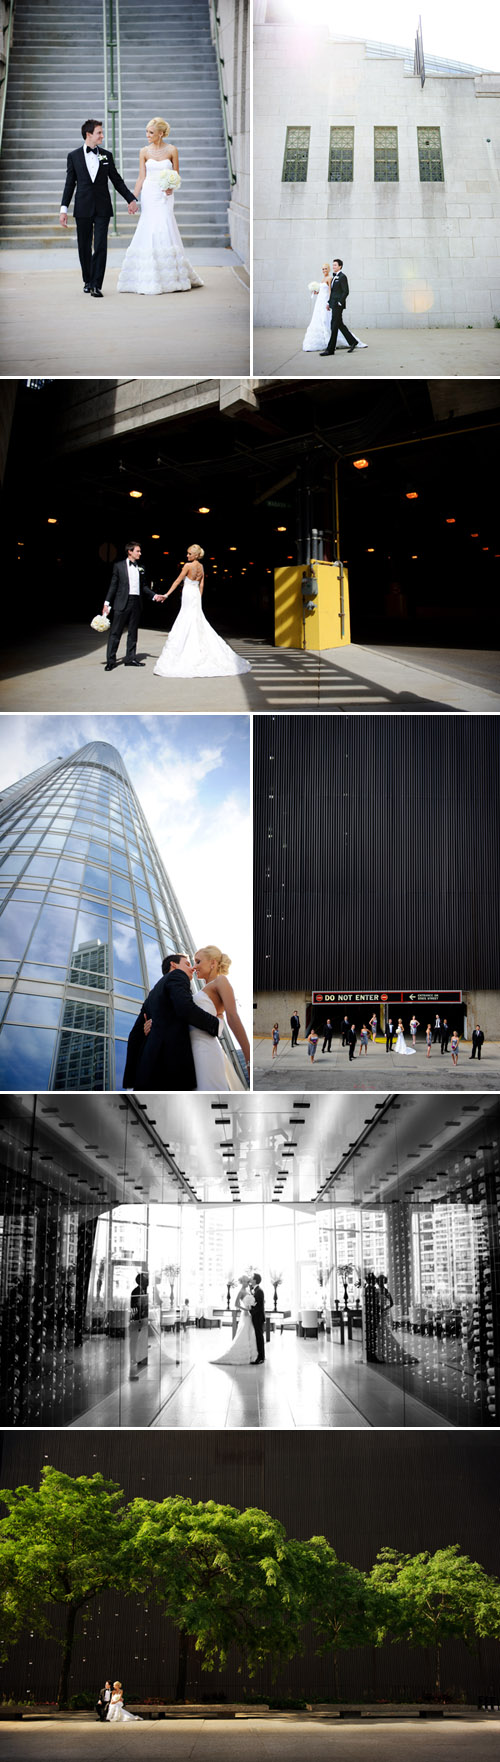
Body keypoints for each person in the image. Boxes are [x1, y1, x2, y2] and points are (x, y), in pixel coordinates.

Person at [117, 116, 203, 296]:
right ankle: (149, 274)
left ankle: (171, 275)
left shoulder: (172, 150)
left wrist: (171, 186)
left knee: (164, 226)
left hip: (165, 195)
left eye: (151, 132)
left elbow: (176, 174)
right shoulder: (144, 151)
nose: (147, 135)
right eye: (146, 132)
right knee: (149, 228)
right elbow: (141, 177)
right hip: (149, 193)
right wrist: (133, 198)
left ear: (161, 134)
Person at [60, 119, 138, 295]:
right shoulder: (73, 156)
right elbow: (69, 184)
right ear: (89, 135)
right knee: (84, 246)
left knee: (101, 245)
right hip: (83, 208)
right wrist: (63, 209)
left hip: (102, 207)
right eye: (99, 133)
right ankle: (87, 280)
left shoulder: (106, 155)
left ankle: (96, 284)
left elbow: (116, 180)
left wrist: (130, 199)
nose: (102, 136)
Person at [123, 953, 221, 1091]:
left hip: (148, 1071)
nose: (192, 968)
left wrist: (131, 1081)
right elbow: (185, 1008)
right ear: (174, 965)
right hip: (172, 1066)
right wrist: (217, 1024)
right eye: (187, 964)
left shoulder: (151, 995)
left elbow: (134, 1036)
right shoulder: (178, 976)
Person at [153, 545, 251, 677]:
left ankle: (187, 649)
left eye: (189, 554)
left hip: (188, 593)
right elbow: (202, 584)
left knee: (186, 619)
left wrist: (167, 594)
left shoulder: (188, 566)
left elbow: (178, 581)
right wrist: (199, 597)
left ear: (195, 555)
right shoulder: (201, 567)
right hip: (195, 594)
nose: (187, 556)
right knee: (196, 619)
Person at [190, 946, 250, 1088]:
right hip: (192, 1050)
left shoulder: (220, 981)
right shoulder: (202, 990)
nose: (194, 966)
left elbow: (233, 1017)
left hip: (204, 1050)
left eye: (198, 961)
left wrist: (249, 1059)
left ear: (213, 963)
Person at [102, 541, 155, 670]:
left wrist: (153, 595)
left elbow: (143, 586)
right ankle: (111, 661)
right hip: (122, 602)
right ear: (130, 551)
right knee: (115, 633)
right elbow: (113, 586)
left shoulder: (141, 567)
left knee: (133, 632)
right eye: (138, 551)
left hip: (136, 602)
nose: (140, 553)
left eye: (140, 551)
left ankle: (130, 659)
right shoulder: (119, 566)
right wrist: (106, 603)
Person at [320, 258, 359, 356]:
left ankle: (330, 350)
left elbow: (346, 291)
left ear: (340, 266)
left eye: (335, 265)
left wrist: (339, 303)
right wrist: (329, 303)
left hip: (338, 305)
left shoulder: (342, 277)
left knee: (334, 325)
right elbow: (332, 292)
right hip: (333, 304)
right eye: (332, 265)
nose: (333, 267)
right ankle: (353, 341)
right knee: (339, 324)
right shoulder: (333, 277)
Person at [212, 1277, 255, 1364]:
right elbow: (236, 1304)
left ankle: (251, 1355)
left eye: (248, 1282)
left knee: (250, 1332)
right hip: (245, 1314)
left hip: (249, 1314)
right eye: (246, 1282)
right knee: (244, 1332)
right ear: (242, 1282)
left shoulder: (248, 1291)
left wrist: (251, 1306)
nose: (247, 1283)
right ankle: (243, 1354)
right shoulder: (241, 1292)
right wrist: (245, 1309)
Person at [250, 1273, 266, 1364]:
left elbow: (259, 1306)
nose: (250, 1279)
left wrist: (251, 1311)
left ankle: (261, 1358)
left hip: (258, 1317)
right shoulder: (255, 1290)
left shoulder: (259, 1291)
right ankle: (261, 1356)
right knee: (258, 1336)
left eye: (252, 1278)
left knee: (259, 1337)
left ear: (255, 1280)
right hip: (257, 1317)